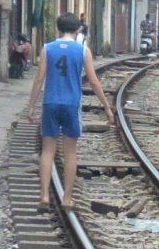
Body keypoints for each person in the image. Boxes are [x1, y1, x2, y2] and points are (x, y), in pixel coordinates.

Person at [28, 13, 114, 210]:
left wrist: (32, 106)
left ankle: (43, 196)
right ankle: (67, 198)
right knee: (70, 152)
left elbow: (39, 78)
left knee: (47, 150)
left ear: (58, 29)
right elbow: (93, 81)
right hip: (71, 105)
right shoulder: (83, 50)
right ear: (78, 30)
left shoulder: (47, 49)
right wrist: (106, 107)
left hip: (50, 103)